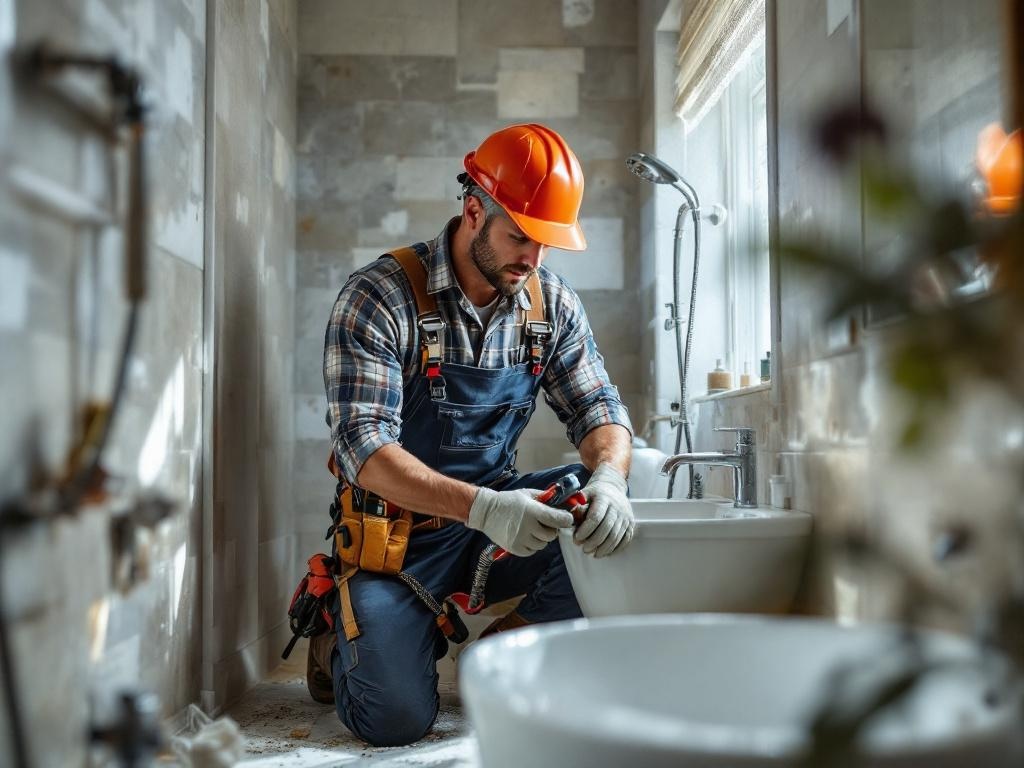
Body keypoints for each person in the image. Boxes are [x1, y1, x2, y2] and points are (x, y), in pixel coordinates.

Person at [311, 123, 635, 747]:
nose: (532, 259)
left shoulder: (550, 305)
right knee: (393, 721)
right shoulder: (381, 296)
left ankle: (497, 657)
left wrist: (612, 482)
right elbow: (364, 450)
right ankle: (336, 636)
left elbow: (600, 409)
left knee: (594, 509)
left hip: (497, 526)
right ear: (474, 211)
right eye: (520, 237)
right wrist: (481, 507)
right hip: (397, 539)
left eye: (546, 244)